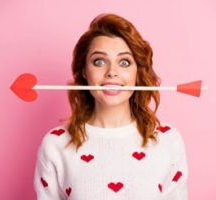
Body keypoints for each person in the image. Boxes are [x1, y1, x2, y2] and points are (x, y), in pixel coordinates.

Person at [34, 13, 188, 200]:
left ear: (137, 72)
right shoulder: (55, 144)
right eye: (99, 61)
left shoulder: (168, 141)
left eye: (124, 62)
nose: (112, 73)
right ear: (84, 71)